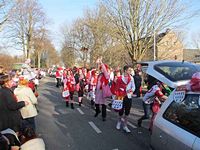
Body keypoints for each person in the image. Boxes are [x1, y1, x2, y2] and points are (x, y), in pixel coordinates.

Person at [114, 65, 136, 133]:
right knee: (121, 111)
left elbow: (133, 87)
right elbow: (116, 88)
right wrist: (116, 96)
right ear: (125, 70)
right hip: (121, 96)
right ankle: (119, 122)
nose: (130, 71)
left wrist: (131, 91)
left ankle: (125, 126)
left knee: (127, 112)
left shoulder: (131, 78)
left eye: (131, 70)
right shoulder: (120, 78)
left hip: (128, 96)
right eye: (129, 70)